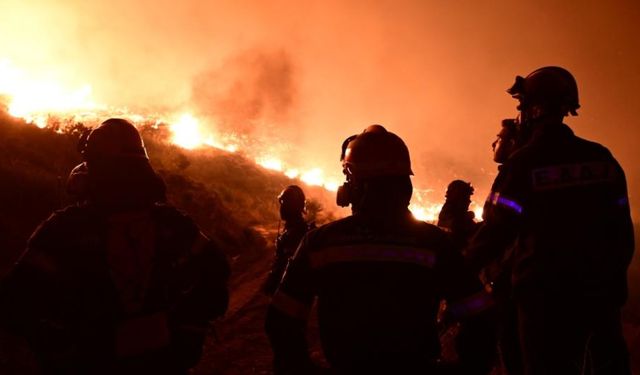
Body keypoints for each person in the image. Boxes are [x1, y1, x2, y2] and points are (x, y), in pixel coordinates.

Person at [0, 118, 230, 375]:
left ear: (95, 167)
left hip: (94, 364)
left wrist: (59, 346)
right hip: (163, 362)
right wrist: (187, 327)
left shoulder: (64, 230)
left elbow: (15, 301)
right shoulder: (173, 225)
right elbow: (216, 273)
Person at [265, 125, 493, 375]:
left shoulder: (320, 243)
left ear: (355, 186)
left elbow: (281, 320)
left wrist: (304, 369)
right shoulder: (434, 243)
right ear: (405, 185)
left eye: (348, 179)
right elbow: (480, 316)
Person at [465, 66, 634, 375]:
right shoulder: (601, 158)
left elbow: (495, 230)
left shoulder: (524, 163)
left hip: (544, 301)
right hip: (600, 297)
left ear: (531, 110)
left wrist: (458, 271)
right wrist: (609, 285)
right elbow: (622, 231)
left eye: (521, 107)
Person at [263, 185, 315, 295]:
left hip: (289, 295)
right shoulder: (294, 229)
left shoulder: (296, 233)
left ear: (291, 206)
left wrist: (272, 284)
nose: (281, 208)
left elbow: (286, 269)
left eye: (284, 204)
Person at [437, 180, 479, 250]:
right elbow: (456, 226)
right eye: (466, 198)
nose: (469, 201)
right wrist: (468, 216)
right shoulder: (450, 216)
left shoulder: (452, 214)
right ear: (458, 197)